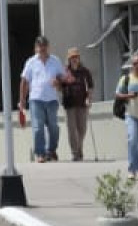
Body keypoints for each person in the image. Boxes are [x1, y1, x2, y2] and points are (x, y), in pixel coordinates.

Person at [19, 35, 65, 163]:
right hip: (36, 99)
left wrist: (58, 83)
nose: (42, 48)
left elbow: (63, 79)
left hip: (52, 100)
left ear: (48, 47)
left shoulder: (55, 61)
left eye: (44, 46)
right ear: (36, 48)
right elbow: (24, 82)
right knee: (38, 127)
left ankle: (51, 150)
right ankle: (40, 153)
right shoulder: (31, 62)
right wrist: (22, 100)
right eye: (39, 46)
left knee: (54, 127)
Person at [60, 47, 94, 160]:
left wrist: (89, 98)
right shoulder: (64, 71)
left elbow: (90, 86)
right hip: (69, 104)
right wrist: (62, 82)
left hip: (82, 103)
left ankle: (79, 148)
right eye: (72, 57)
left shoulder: (85, 71)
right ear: (69, 59)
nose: (74, 59)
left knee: (82, 129)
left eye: (76, 57)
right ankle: (75, 153)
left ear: (79, 58)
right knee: (71, 129)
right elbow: (59, 86)